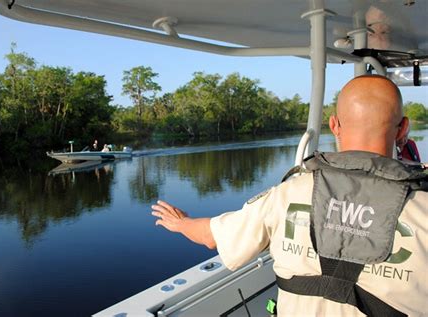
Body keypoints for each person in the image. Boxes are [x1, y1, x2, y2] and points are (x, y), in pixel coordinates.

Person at [151, 75, 427, 316]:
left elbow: (214, 236)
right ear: (403, 128)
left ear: (334, 125)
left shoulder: (287, 194)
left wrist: (181, 223)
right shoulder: (423, 208)